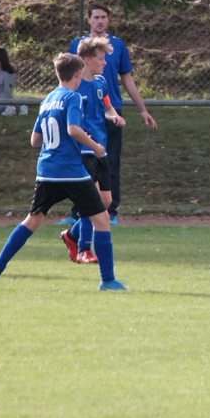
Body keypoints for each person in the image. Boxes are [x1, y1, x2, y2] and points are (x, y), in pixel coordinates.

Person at [0, 52, 125, 291]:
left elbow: (35, 140)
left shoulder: (47, 99)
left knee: (32, 221)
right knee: (102, 219)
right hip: (71, 170)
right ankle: (108, 280)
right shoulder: (73, 97)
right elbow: (73, 129)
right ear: (77, 74)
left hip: (47, 171)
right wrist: (96, 146)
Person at [68, 2, 157, 225]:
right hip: (83, 112)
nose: (100, 21)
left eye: (103, 17)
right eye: (96, 17)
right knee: (80, 163)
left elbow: (127, 78)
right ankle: (78, 213)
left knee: (110, 162)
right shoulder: (77, 45)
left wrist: (142, 109)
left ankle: (111, 210)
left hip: (108, 110)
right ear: (89, 19)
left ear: (108, 20)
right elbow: (68, 78)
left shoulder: (117, 45)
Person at [60, 36, 126, 264]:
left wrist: (114, 116)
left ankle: (72, 235)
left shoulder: (100, 82)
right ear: (87, 60)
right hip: (84, 150)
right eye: (101, 59)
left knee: (105, 202)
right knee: (93, 201)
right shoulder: (74, 87)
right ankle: (83, 249)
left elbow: (107, 107)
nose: (105, 63)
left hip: (101, 149)